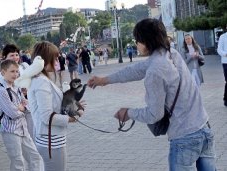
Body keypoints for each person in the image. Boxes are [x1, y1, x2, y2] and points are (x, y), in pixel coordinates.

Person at [88, 18, 216, 171]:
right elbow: (136, 70)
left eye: (137, 40)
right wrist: (104, 80)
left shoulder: (155, 70)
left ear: (146, 41)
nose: (136, 44)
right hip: (204, 127)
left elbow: (154, 114)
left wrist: (128, 113)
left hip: (185, 137)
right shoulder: (171, 53)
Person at [27, 41, 85, 171]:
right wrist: (71, 119)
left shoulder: (41, 79)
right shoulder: (41, 81)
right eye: (55, 58)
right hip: (50, 141)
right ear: (46, 60)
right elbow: (47, 116)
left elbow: (53, 106)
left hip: (50, 139)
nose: (57, 61)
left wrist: (73, 104)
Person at [0, 60, 42, 171]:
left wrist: (21, 107)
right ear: (3, 72)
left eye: (17, 71)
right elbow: (12, 113)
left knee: (35, 157)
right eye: (12, 71)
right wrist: (21, 108)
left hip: (23, 129)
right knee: (18, 162)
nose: (16, 74)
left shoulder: (17, 86)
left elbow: (27, 105)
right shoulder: (2, 90)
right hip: (10, 130)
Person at [0, 44, 34, 139]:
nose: (15, 57)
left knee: (31, 133)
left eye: (16, 54)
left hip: (27, 102)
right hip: (13, 112)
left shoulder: (24, 67)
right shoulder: (2, 75)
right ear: (4, 57)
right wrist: (20, 108)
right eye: (12, 55)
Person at [217, 25, 227, 107]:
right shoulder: (223, 37)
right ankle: (226, 99)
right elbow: (219, 49)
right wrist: (225, 54)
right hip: (226, 62)